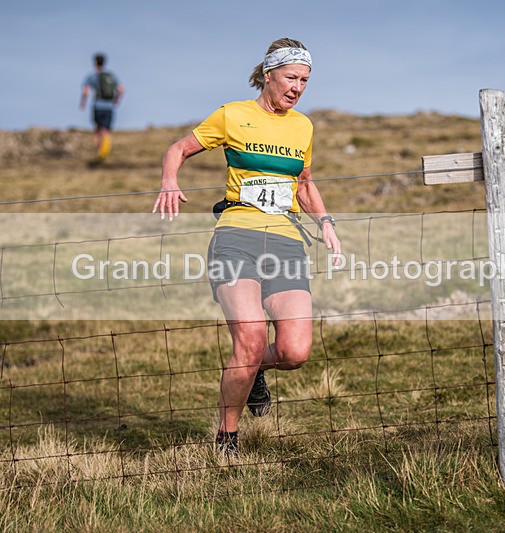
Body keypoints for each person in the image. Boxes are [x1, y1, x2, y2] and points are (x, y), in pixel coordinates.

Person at [152, 38, 341, 457]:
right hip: (236, 236)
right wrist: (170, 180)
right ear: (268, 73)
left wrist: (325, 222)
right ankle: (226, 438)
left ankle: (254, 370)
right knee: (251, 338)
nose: (298, 87)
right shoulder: (233, 115)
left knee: (295, 350)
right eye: (291, 77)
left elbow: (304, 181)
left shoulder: (303, 126)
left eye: (305, 80)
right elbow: (178, 149)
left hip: (287, 241)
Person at [80, 53, 124, 161]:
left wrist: (83, 102)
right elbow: (121, 89)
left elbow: (85, 91)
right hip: (109, 106)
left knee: (97, 129)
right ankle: (105, 150)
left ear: (94, 62)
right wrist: (117, 99)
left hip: (98, 105)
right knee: (107, 130)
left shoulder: (92, 76)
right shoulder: (111, 76)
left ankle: (100, 152)